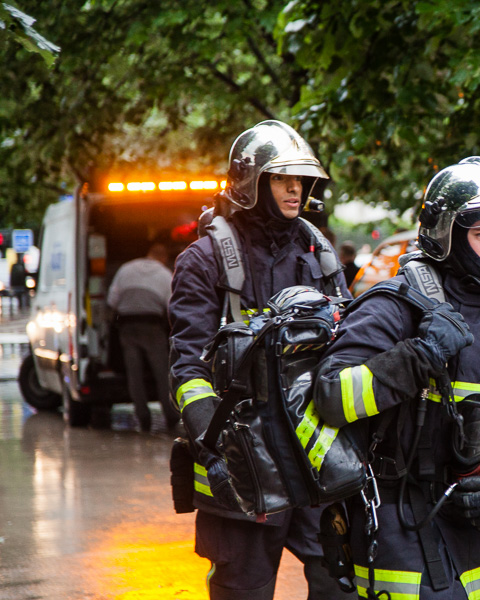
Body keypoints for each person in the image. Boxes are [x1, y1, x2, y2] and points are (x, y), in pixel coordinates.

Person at [313, 158, 480, 599]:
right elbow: (331, 397)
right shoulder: (394, 306)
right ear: (446, 233)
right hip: (399, 529)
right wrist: (419, 355)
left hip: (475, 529)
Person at [168, 120, 354, 600]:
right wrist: (214, 447)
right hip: (244, 462)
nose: (296, 189)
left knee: (341, 583)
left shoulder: (321, 255)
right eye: (281, 177)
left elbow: (349, 346)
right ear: (250, 181)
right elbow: (188, 366)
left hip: (315, 453)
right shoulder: (205, 259)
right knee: (242, 590)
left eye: (302, 179)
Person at [107, 239, 180, 431]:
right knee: (162, 374)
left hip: (127, 327)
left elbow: (111, 301)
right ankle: (170, 416)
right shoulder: (165, 275)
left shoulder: (125, 269)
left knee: (135, 374)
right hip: (153, 327)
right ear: (163, 257)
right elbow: (171, 307)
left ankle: (143, 417)